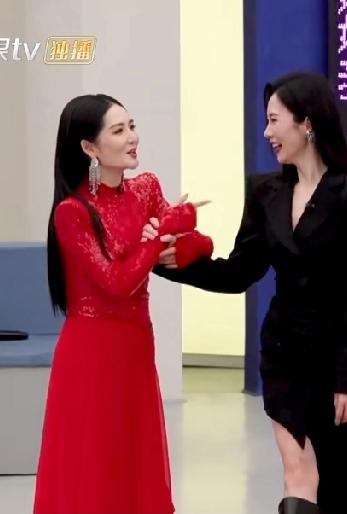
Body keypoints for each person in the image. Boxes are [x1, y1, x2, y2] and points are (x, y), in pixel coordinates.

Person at [155, 72, 347, 514]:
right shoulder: (265, 191)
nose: (266, 133)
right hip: (284, 356)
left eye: (274, 120)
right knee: (298, 471)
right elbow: (238, 272)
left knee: (344, 481)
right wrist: (168, 263)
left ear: (307, 122)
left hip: (335, 363)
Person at [34, 94, 211, 514]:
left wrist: (175, 238)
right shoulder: (73, 212)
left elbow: (200, 244)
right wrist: (159, 238)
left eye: (131, 126)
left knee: (133, 459)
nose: (133, 137)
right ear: (89, 147)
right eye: (118, 131)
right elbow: (116, 283)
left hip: (135, 348)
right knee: (95, 465)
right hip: (91, 355)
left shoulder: (145, 188)